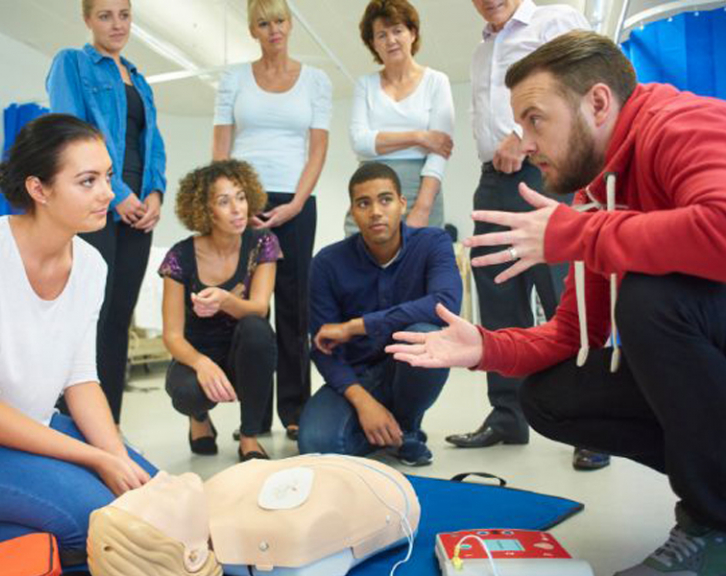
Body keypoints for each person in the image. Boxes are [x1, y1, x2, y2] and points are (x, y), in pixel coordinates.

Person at [388, 30, 726, 576]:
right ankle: (716, 488)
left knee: (652, 299)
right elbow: (570, 336)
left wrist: (583, 237)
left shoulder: (679, 124)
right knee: (551, 395)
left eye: (535, 119)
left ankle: (714, 522)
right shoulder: (598, 193)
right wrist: (484, 347)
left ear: (596, 103)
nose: (524, 142)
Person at [0, 114, 157, 568]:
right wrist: (96, 459)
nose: (108, 193)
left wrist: (114, 456)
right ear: (39, 189)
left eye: (107, 176)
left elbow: (81, 379)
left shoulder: (90, 265)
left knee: (152, 500)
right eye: (87, 181)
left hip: (32, 426)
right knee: (103, 523)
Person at [449, 0, 606, 471]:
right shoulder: (481, 51)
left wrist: (526, 138)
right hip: (492, 180)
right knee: (497, 295)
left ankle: (592, 424)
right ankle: (508, 414)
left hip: (547, 173)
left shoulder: (554, 21)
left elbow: (585, 94)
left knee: (565, 296)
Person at [212, 0, 332, 442]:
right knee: (250, 311)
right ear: (252, 30)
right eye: (263, 23)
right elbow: (221, 149)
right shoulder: (234, 79)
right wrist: (229, 205)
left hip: (295, 203)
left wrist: (296, 204)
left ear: (290, 23)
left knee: (294, 308)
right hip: (245, 203)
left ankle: (296, 408)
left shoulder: (316, 81)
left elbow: (317, 149)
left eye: (279, 20)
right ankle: (254, 416)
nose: (273, 29)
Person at [46, 0, 167, 424]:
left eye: (124, 15)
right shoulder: (73, 64)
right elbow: (69, 133)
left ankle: (107, 426)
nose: (116, 24)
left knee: (118, 322)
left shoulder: (139, 79)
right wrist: (115, 192)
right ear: (86, 19)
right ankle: (69, 427)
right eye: (105, 16)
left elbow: (154, 144)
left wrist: (155, 192)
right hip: (96, 205)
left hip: (138, 212)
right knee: (87, 322)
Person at [298, 163, 462, 466]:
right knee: (316, 445)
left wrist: (356, 327)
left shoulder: (432, 244)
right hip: (356, 376)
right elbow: (322, 347)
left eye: (385, 200)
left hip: (408, 367)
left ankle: (408, 425)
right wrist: (362, 402)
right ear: (353, 212)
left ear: (402, 204)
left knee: (426, 335)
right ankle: (386, 428)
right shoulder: (326, 263)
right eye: (364, 203)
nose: (375, 211)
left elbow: (447, 304)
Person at [159, 160, 281, 462]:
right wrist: (201, 364)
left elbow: (259, 308)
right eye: (224, 202)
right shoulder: (180, 256)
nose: (238, 209)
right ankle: (199, 419)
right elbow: (172, 336)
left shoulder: (262, 243)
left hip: (241, 351)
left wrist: (225, 300)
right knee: (187, 393)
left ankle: (249, 436)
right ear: (205, 209)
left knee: (257, 330)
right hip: (195, 353)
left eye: (240, 197)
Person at [347, 0, 454, 236]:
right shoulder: (365, 85)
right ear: (373, 43)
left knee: (419, 266)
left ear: (412, 33)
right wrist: (419, 137)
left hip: (422, 188)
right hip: (370, 187)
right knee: (362, 266)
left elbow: (440, 151)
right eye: (381, 35)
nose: (391, 40)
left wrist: (422, 208)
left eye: (398, 31)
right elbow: (360, 142)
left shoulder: (437, 81)